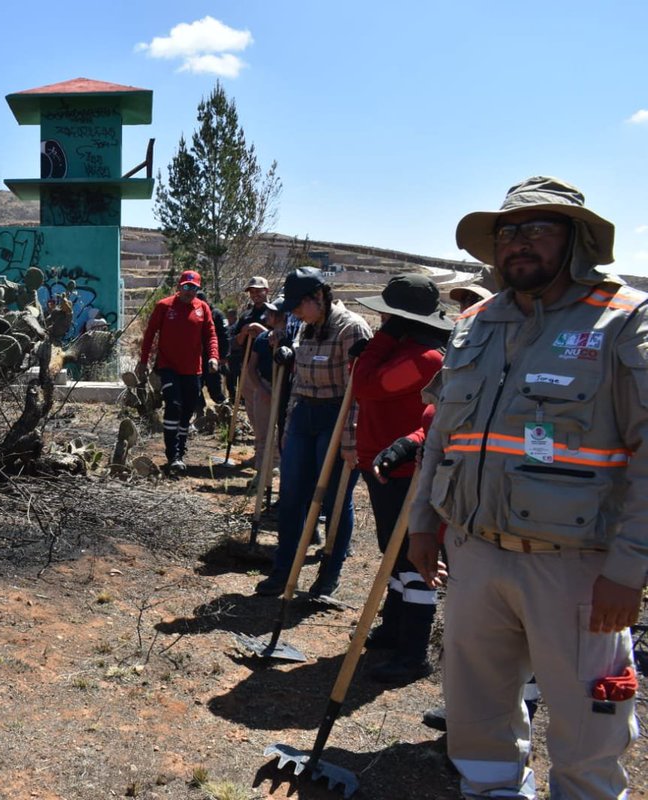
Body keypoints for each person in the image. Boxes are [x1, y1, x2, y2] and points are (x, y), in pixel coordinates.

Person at [409, 176, 645, 799]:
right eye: (508, 232)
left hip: (578, 571)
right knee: (477, 711)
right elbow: (442, 437)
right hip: (475, 555)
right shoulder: (476, 322)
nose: (519, 243)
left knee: (591, 723)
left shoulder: (623, 323)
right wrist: (421, 523)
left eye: (538, 228)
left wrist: (629, 568)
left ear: (576, 240)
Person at [353, 274, 452, 683]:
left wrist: (378, 345)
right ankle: (394, 631)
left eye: (388, 318)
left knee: (414, 560)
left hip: (408, 472)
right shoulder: (403, 349)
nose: (381, 322)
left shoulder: (424, 358)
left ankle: (412, 654)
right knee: (393, 553)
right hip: (383, 465)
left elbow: (366, 386)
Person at [255, 268, 372, 597]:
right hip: (304, 416)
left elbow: (360, 393)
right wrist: (288, 429)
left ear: (319, 297)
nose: (292, 312)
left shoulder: (352, 329)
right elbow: (298, 383)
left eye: (297, 305)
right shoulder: (306, 328)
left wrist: (351, 441)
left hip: (336, 417)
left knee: (335, 499)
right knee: (291, 496)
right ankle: (283, 570)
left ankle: (328, 575)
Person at [135, 269, 219, 474]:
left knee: (187, 410)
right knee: (173, 405)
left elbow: (210, 335)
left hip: (193, 370)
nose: (190, 291)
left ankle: (181, 451)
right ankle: (172, 454)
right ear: (179, 287)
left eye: (194, 288)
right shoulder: (164, 306)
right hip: (168, 366)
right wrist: (143, 361)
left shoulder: (203, 308)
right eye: (186, 287)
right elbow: (149, 335)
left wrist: (213, 356)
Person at [242, 301, 287, 477]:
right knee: (262, 432)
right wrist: (261, 389)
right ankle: (261, 470)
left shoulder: (293, 339)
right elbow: (251, 368)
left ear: (281, 316)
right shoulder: (261, 340)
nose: (266, 316)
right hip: (264, 387)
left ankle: (275, 464)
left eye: (271, 313)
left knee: (282, 433)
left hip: (285, 390)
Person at [227, 276, 271, 405]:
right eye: (252, 292)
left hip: (267, 368)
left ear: (267, 290)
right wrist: (244, 332)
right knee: (250, 405)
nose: (254, 295)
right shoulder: (246, 315)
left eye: (258, 291)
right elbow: (236, 343)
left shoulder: (274, 312)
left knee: (265, 406)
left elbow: (278, 337)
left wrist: (259, 330)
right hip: (247, 367)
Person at [195, 290, 228, 406]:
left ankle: (224, 411)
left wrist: (223, 356)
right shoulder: (193, 314)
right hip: (196, 358)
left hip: (212, 358)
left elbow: (224, 336)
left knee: (214, 389)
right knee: (195, 389)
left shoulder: (216, 315)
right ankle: (200, 413)